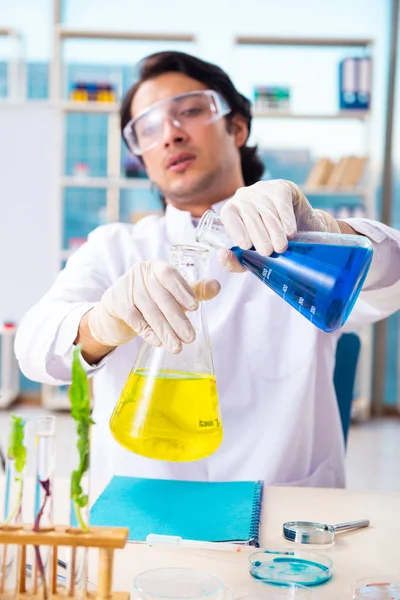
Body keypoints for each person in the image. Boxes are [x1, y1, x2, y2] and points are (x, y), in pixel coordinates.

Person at [15, 51, 400, 486]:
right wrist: (103, 322)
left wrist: (331, 236)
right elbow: (34, 350)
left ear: (237, 127)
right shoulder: (116, 247)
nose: (170, 135)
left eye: (189, 111)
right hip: (143, 520)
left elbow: (393, 280)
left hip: (283, 517)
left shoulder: (299, 239)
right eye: (148, 128)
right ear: (142, 158)